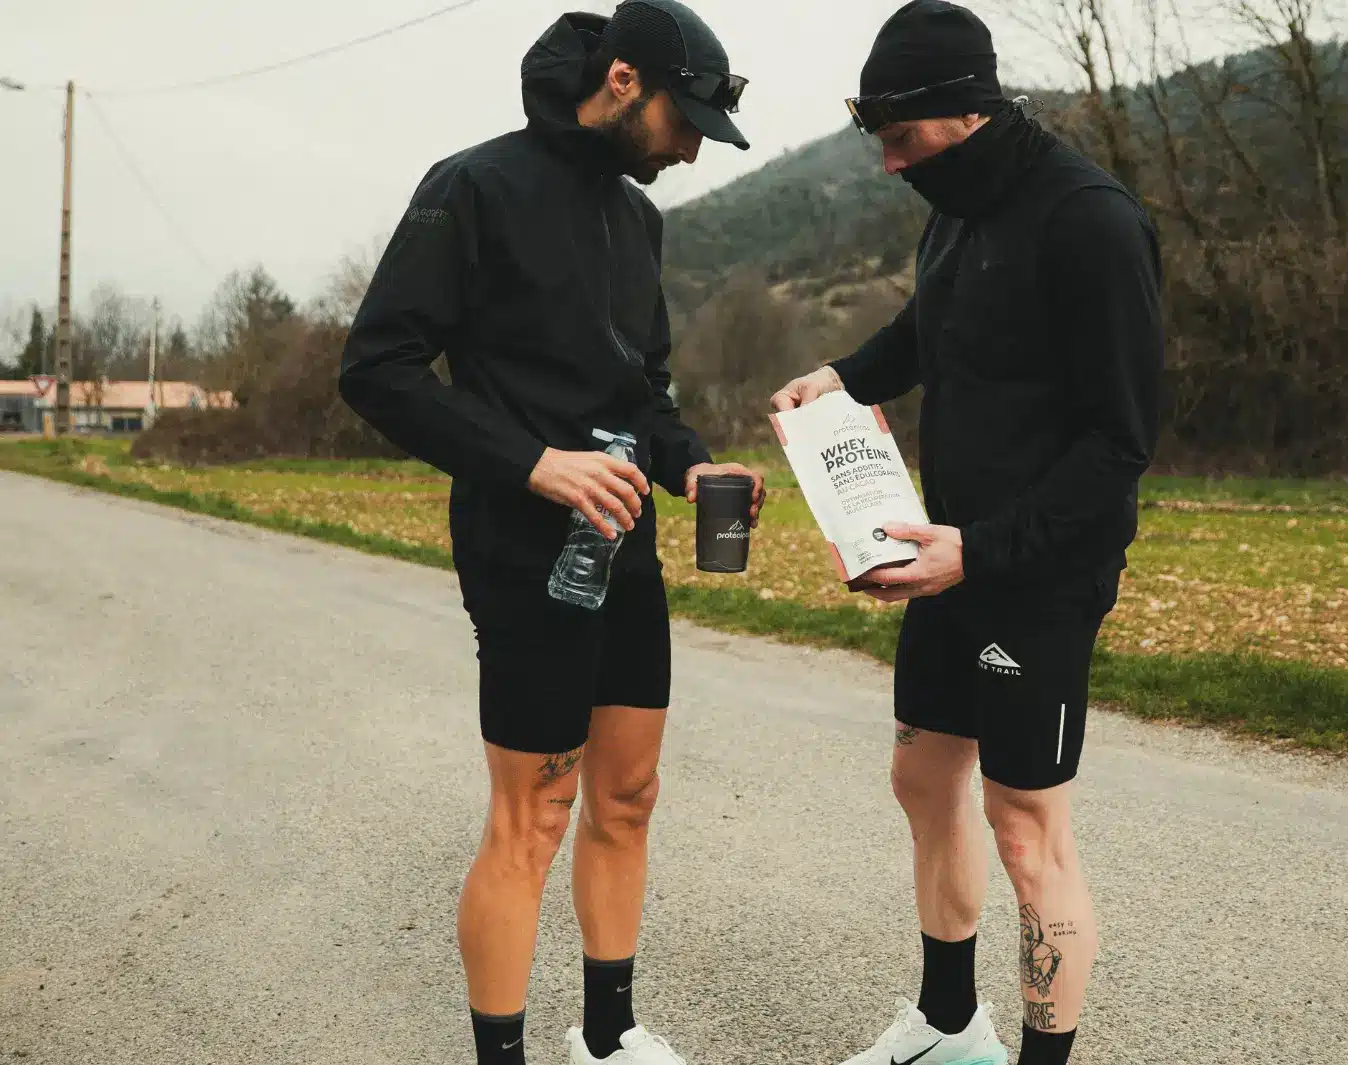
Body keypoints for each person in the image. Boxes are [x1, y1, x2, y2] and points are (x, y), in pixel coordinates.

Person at [338, 4, 764, 1064]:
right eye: (685, 118)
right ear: (623, 78)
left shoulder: (638, 220)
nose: (691, 146)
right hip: (521, 550)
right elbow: (377, 368)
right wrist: (533, 464)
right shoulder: (471, 187)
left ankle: (609, 1041)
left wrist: (693, 460)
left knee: (626, 797)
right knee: (533, 817)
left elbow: (645, 390)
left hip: (626, 547)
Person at [771, 3, 1163, 1063]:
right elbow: (928, 330)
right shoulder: (955, 212)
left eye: (902, 141)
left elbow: (1121, 443)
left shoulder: (1091, 220)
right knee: (921, 774)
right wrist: (844, 378)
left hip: (1033, 571)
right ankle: (949, 1027)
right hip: (945, 560)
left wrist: (979, 552)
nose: (891, 166)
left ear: (965, 114)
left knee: (1027, 828)